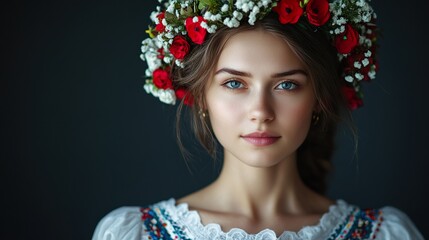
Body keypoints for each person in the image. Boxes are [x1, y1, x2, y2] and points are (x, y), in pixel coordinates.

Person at [93, 0, 424, 239]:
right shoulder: (134, 233)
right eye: (235, 83)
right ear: (202, 97)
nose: (261, 111)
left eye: (286, 85)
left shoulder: (383, 234)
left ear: (319, 100)